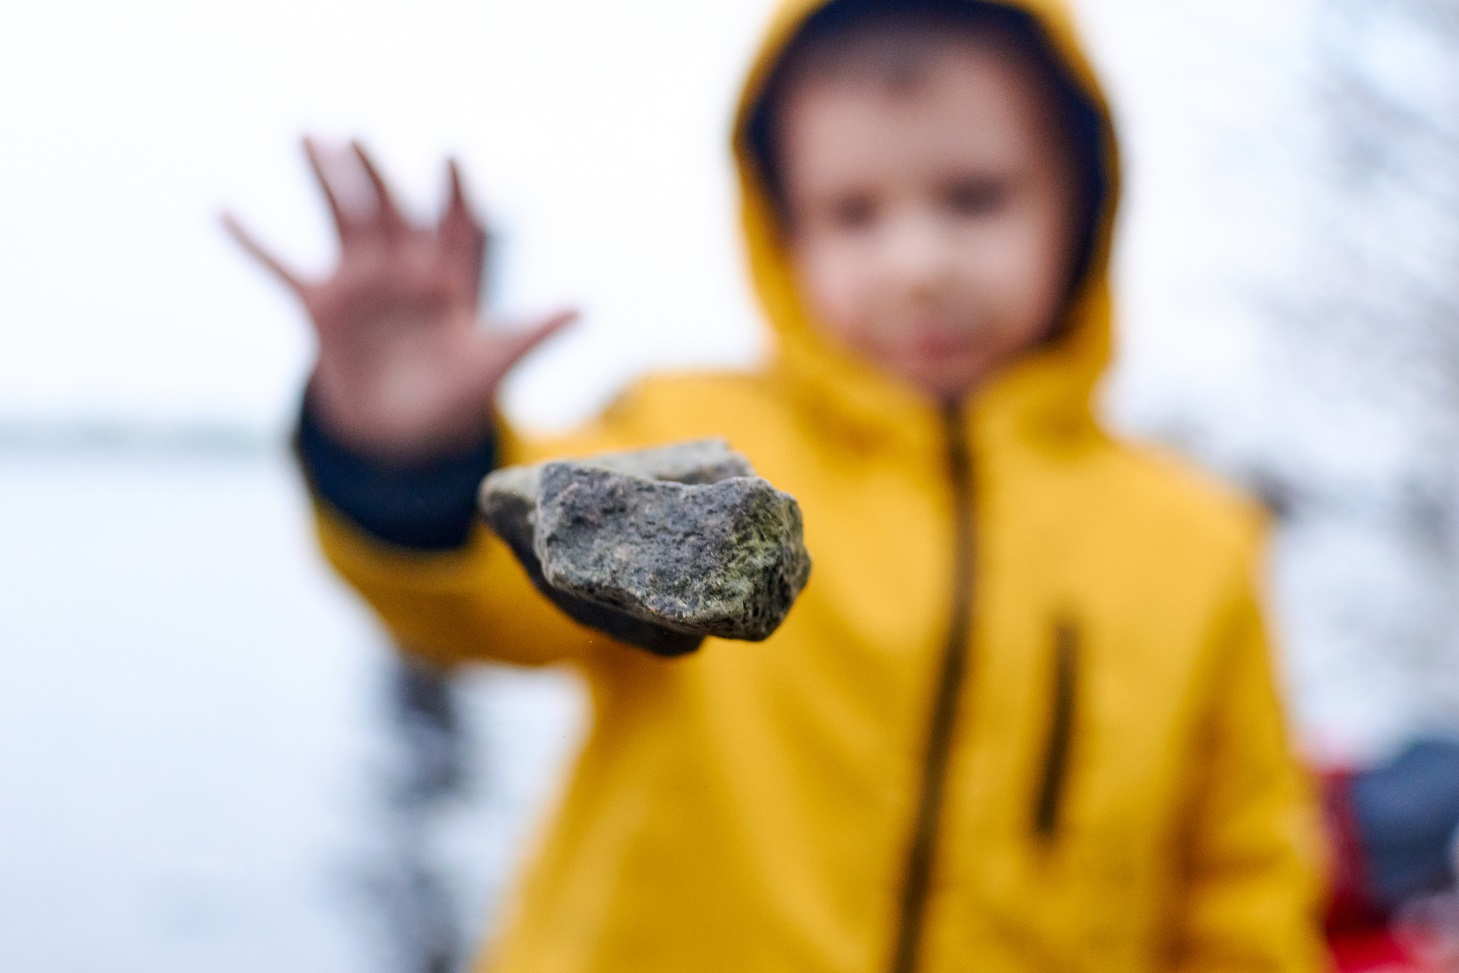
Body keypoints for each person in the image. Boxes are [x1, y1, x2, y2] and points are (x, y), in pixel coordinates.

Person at [227, 0, 1325, 969]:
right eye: (854, 212)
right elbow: (486, 596)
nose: (917, 264)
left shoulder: (1196, 541)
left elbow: (1240, 882)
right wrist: (411, 459)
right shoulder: (692, 444)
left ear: (1082, 205)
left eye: (974, 198)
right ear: (781, 228)